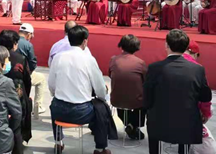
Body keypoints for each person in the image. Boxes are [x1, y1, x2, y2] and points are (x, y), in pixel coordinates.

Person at [144, 29, 212, 154]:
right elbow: (205, 96)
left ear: (166, 45)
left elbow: (147, 98)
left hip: (159, 120)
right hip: (186, 121)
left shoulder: (154, 68)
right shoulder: (197, 69)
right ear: (186, 47)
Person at [49, 25, 110, 154]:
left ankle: (58, 142)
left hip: (59, 110)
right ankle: (100, 148)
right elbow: (99, 88)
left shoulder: (58, 57)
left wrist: (58, 95)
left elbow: (51, 85)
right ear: (85, 41)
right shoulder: (89, 59)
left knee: (54, 104)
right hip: (81, 111)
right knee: (101, 108)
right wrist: (102, 97)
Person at [0, 30, 32, 154]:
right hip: (17, 93)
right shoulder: (20, 58)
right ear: (14, 44)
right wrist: (26, 94)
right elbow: (27, 79)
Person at [109, 34, 147, 140]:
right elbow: (146, 80)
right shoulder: (140, 63)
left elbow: (110, 75)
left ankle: (130, 124)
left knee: (124, 102)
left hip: (116, 99)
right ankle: (133, 125)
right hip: (136, 101)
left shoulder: (113, 60)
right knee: (145, 101)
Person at [17, 23, 46, 118]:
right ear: (29, 34)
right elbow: (33, 62)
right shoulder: (28, 45)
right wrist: (29, 72)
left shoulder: (11, 41)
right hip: (23, 74)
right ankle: (38, 106)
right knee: (41, 79)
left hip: (10, 72)